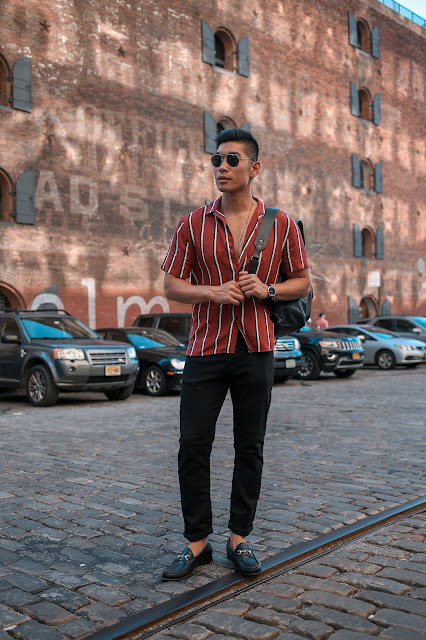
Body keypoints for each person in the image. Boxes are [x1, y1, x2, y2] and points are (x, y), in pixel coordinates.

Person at [161, 128, 311, 580]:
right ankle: (197, 542)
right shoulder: (192, 223)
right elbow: (171, 285)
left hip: (257, 349)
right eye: (216, 161)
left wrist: (266, 288)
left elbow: (301, 281)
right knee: (193, 445)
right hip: (205, 350)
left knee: (251, 447)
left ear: (254, 168)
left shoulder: (281, 224)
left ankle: (239, 538)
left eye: (230, 160)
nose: (221, 168)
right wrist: (210, 292)